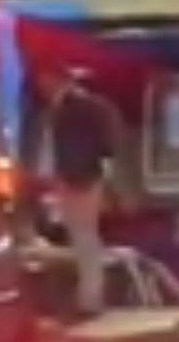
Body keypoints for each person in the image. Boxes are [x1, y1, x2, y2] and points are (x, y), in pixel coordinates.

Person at [36, 66, 121, 314]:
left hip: (80, 178)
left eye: (45, 79)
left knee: (84, 238)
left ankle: (90, 299)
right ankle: (87, 295)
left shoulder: (84, 107)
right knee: (81, 237)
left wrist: (99, 173)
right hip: (72, 178)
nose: (42, 86)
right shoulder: (61, 107)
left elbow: (107, 144)